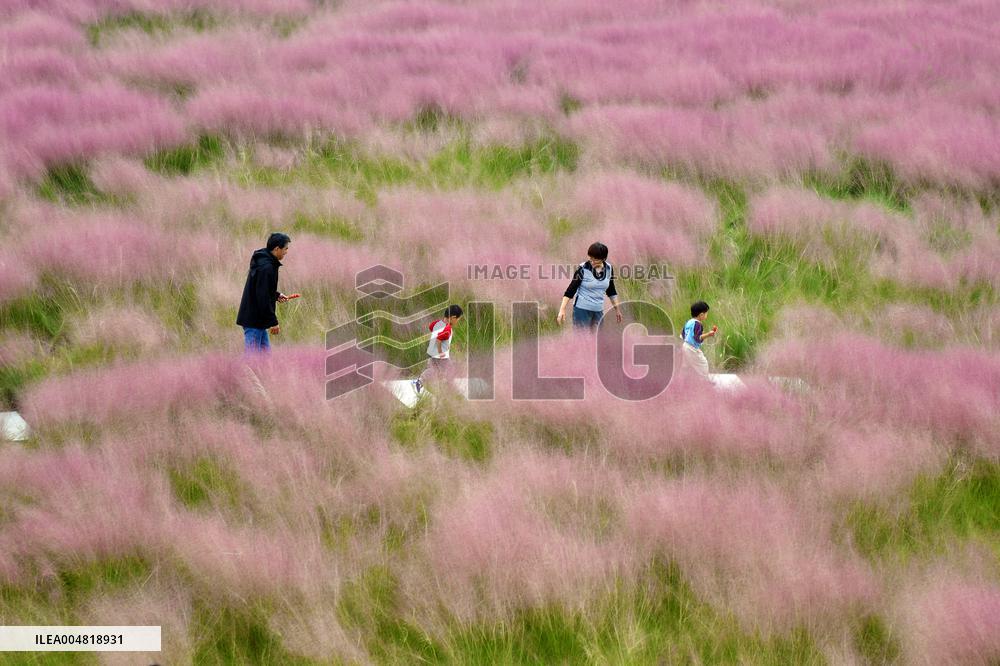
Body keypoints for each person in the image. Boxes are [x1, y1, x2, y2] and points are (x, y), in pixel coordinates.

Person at [236, 232, 291, 355]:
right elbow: (263, 297)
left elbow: (262, 288)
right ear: (277, 249)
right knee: (253, 359)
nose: (286, 252)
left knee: (265, 358)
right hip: (253, 320)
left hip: (258, 320)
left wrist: (276, 295)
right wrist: (273, 322)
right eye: (285, 249)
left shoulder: (265, 260)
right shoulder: (266, 267)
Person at [556, 242, 623, 330]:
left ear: (603, 259)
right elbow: (570, 290)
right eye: (590, 258)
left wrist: (617, 310)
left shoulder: (609, 268)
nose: (592, 262)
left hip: (598, 311)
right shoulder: (583, 268)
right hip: (581, 311)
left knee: (598, 337)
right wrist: (562, 309)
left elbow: (611, 290)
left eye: (595, 260)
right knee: (582, 337)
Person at [413, 304, 463, 394]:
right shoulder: (447, 329)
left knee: (435, 370)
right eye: (458, 319)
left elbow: (431, 327)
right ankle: (450, 388)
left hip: (432, 351)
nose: (457, 322)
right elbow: (439, 339)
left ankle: (420, 381)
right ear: (453, 318)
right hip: (440, 354)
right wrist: (440, 351)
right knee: (449, 368)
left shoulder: (437, 323)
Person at [681, 300, 717, 379]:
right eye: (706, 313)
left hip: (685, 346)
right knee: (703, 363)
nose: (707, 315)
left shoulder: (688, 322)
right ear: (701, 315)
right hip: (692, 348)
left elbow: (682, 335)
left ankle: (682, 381)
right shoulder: (698, 324)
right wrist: (708, 334)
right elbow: (697, 338)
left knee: (686, 365)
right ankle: (704, 380)